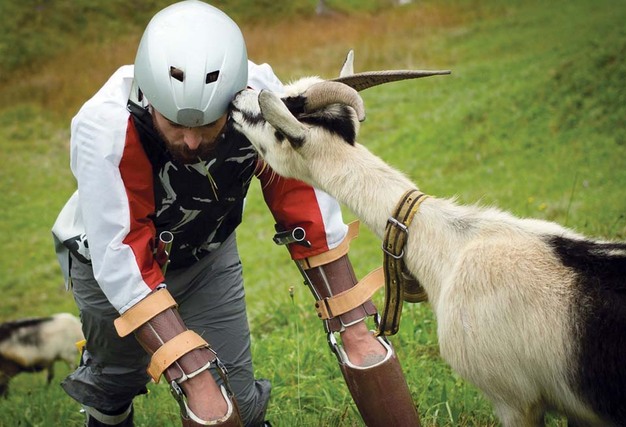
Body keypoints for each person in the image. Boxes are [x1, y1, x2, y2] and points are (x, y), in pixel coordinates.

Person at [52, 1, 419, 426]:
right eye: (176, 123)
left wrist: (350, 317)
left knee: (231, 405)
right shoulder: (105, 127)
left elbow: (299, 194)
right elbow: (121, 251)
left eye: (208, 125)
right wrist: (184, 362)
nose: (191, 142)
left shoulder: (257, 95)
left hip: (207, 258)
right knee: (116, 383)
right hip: (108, 271)